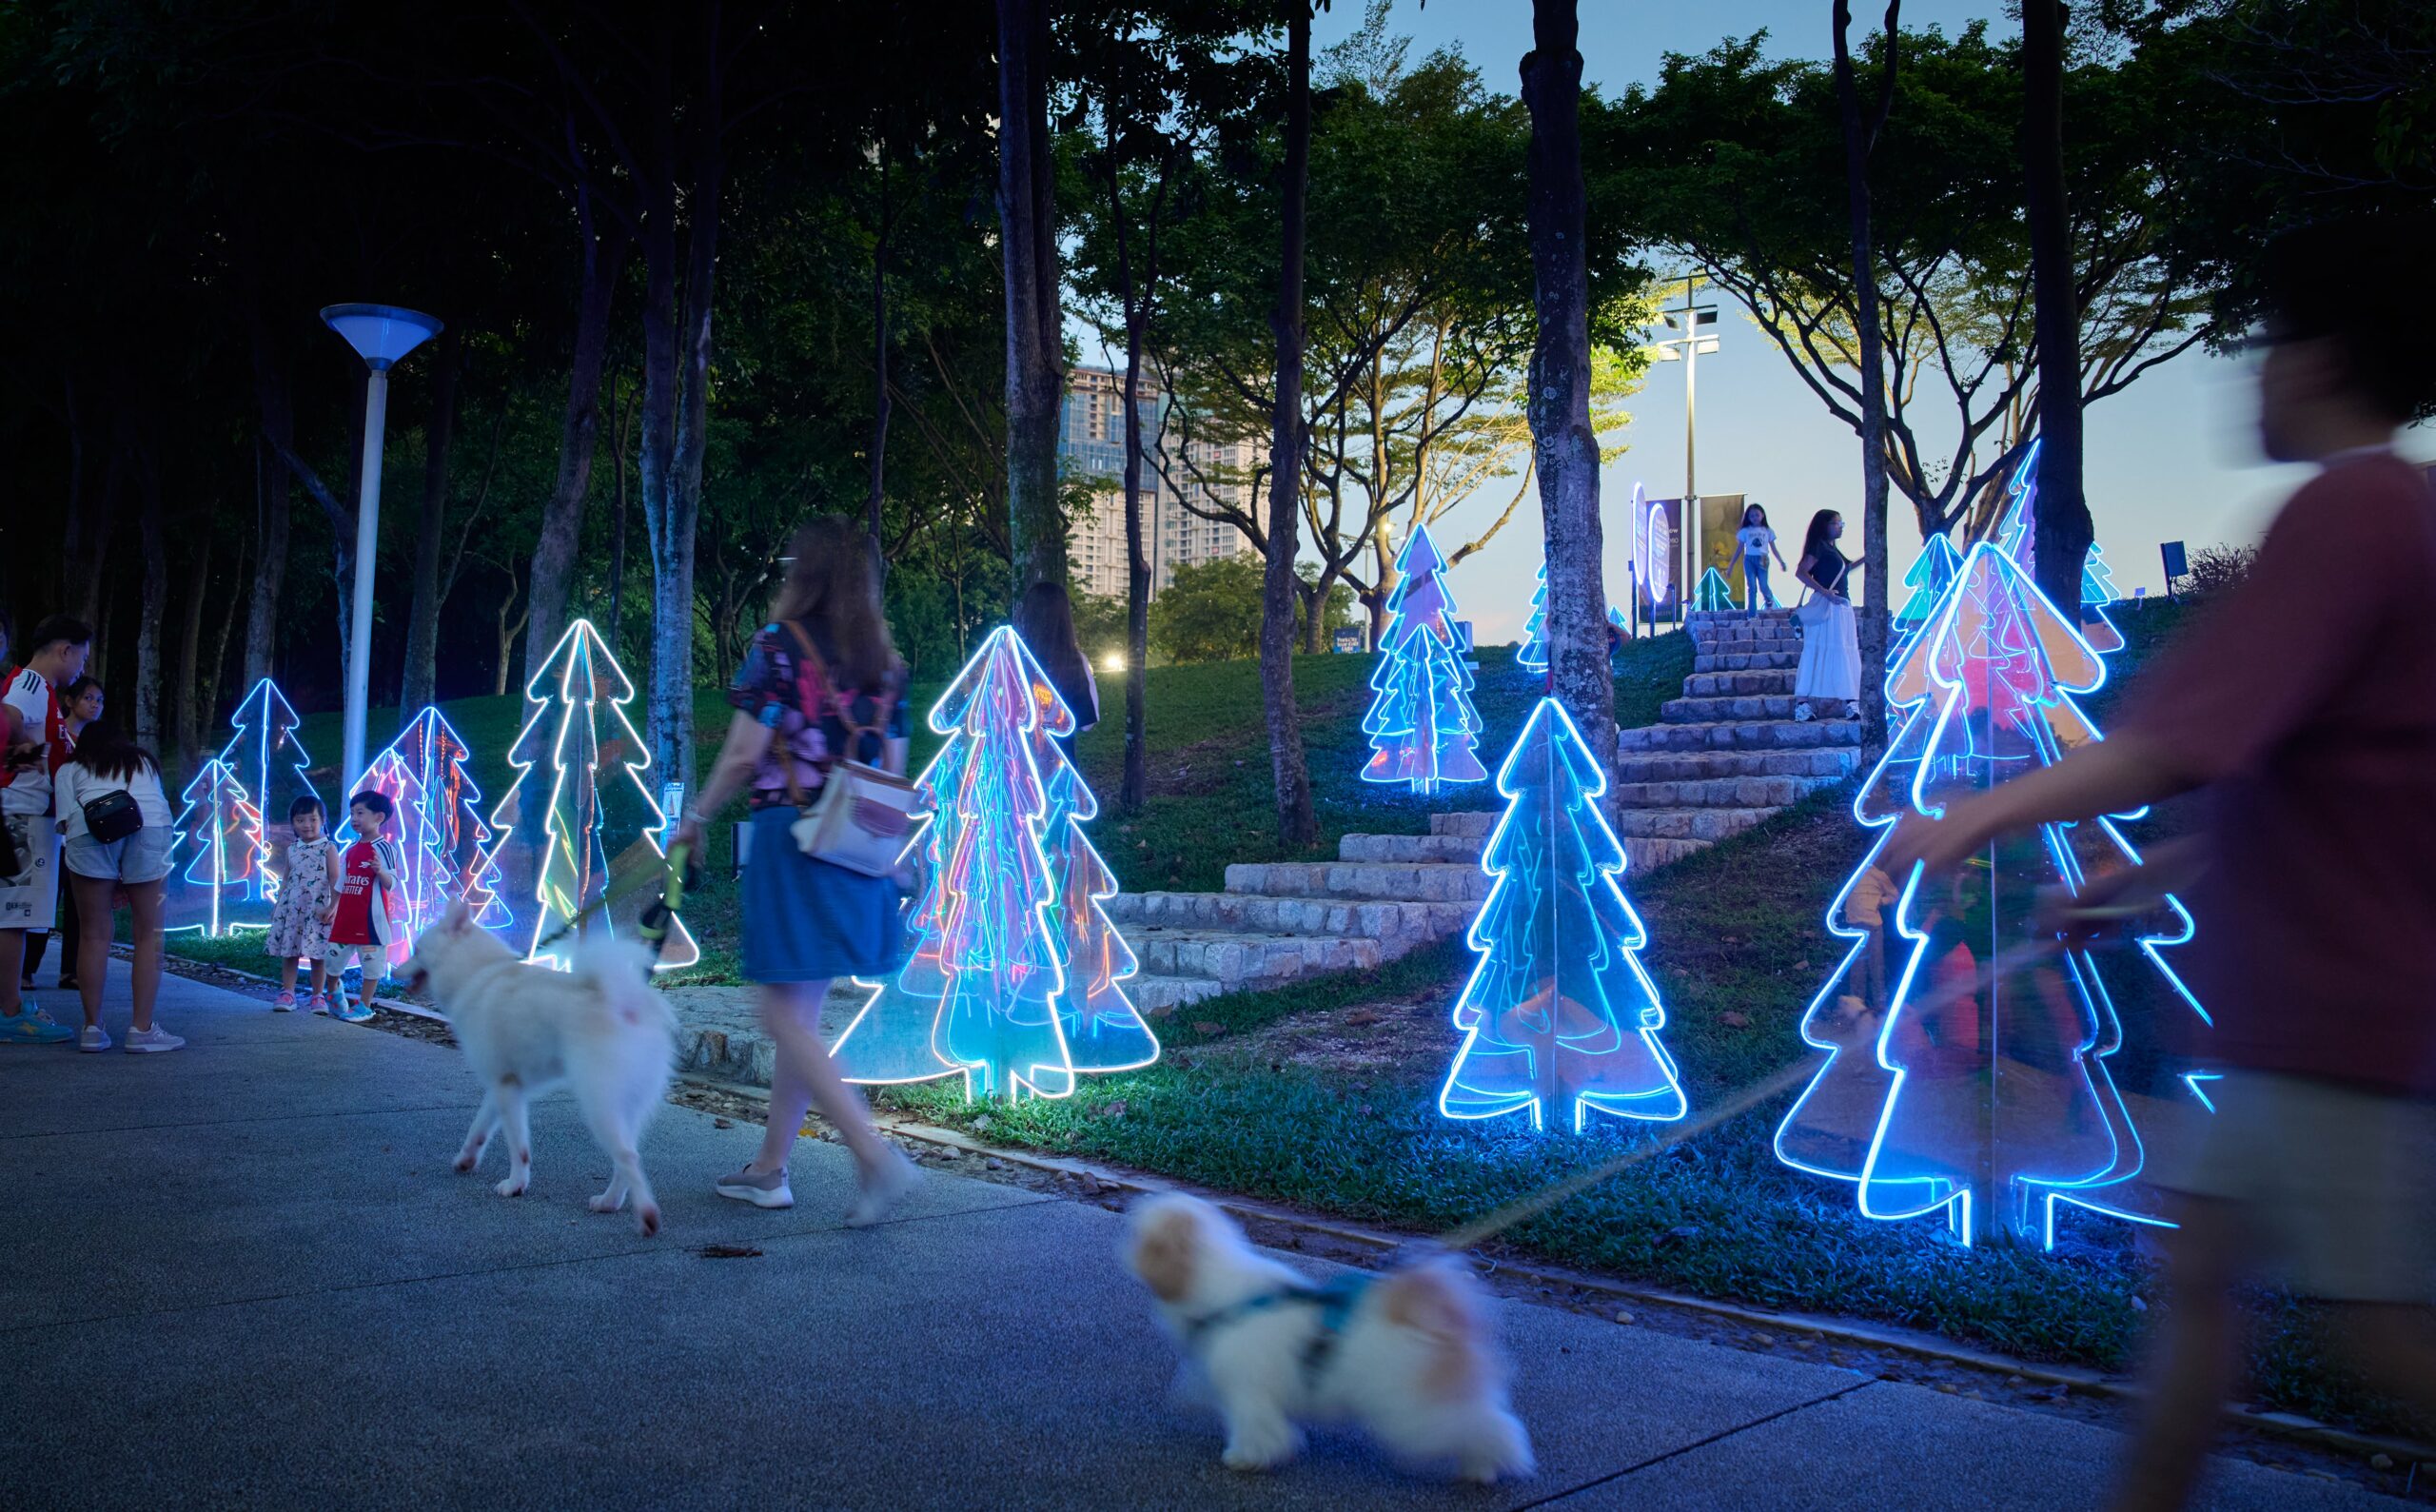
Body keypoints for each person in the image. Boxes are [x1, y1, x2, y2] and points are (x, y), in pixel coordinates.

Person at [1881, 217, 2436, 1512]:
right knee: (2196, 1286)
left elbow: (2180, 741)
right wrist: (2148, 879)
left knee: (2387, 1338)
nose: (2249, 375)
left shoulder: (2355, 507)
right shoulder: (2387, 512)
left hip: (2341, 1023)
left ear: (2324, 357)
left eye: (2266, 346)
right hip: (2312, 1017)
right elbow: (2324, 782)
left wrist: (1971, 819)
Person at [672, 514, 922, 1227]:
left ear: (803, 575)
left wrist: (698, 814)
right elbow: (891, 775)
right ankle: (769, 1169)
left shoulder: (779, 649)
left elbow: (748, 753)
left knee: (780, 1013)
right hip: (854, 844)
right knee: (800, 1014)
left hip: (792, 839)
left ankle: (873, 1153)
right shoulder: (888, 667)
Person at [51, 720, 181, 1052]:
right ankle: (142, 1029)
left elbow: (65, 822)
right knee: (148, 934)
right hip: (149, 829)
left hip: (89, 832)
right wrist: (127, 878)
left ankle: (92, 1028)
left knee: (93, 934)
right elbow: (152, 805)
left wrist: (111, 877)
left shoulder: (70, 769)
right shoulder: (143, 762)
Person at [0, 616, 92, 1046]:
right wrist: (23, 750)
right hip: (24, 817)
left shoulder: (40, 690)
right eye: (82, 657)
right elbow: (9, 719)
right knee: (13, 917)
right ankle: (10, 1011)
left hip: (28, 816)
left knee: (16, 916)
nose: (80, 667)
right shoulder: (32, 686)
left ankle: (11, 1003)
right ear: (64, 651)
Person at [22, 676, 102, 993]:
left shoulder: (98, 743)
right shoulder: (55, 734)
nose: (94, 705)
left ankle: (71, 970)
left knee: (79, 904)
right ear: (69, 701)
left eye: (99, 700)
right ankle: (27, 969)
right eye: (88, 698)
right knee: (44, 900)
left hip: (83, 830)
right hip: (51, 822)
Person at [324, 791, 403, 1024]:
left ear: (379, 817)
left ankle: (365, 1006)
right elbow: (341, 882)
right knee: (333, 960)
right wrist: (332, 906)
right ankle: (335, 995)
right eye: (352, 814)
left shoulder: (385, 848)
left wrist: (380, 871)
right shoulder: (351, 851)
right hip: (346, 919)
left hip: (371, 922)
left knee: (372, 966)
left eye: (360, 813)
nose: (354, 818)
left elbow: (392, 883)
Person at [263, 795, 341, 1012]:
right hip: (293, 909)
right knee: (290, 952)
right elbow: (286, 879)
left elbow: (336, 880)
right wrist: (278, 905)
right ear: (293, 823)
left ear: (322, 820)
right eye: (300, 820)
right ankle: (288, 992)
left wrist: (333, 907)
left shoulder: (328, 848)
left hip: (318, 910)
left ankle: (318, 995)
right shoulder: (292, 849)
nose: (307, 825)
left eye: (312, 819)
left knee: (318, 954)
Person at [1012, 579, 1100, 756]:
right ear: (1064, 617)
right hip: (1060, 771)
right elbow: (1087, 724)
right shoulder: (1074, 661)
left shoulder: (1013, 655)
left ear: (1028, 614)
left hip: (1018, 769)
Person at [1792, 510, 1862, 723]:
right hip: (1828, 607)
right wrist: (1824, 591)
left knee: (1844, 651)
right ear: (1824, 526)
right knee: (1818, 650)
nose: (1840, 526)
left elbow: (1846, 568)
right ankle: (1803, 704)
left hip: (1841, 606)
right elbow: (1801, 572)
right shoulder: (1818, 547)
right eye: (1836, 523)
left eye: (1841, 523)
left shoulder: (1832, 549)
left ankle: (1851, 702)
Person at [1736, 503, 1791, 616]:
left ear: (1762, 515)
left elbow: (1774, 549)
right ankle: (1751, 614)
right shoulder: (1745, 531)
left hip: (1763, 559)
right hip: (1749, 559)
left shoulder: (1767, 530)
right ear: (1748, 518)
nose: (1755, 518)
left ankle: (1769, 599)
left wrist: (1781, 561)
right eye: (1752, 516)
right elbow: (1739, 549)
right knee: (1752, 586)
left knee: (1763, 585)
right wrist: (1731, 566)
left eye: (1757, 515)